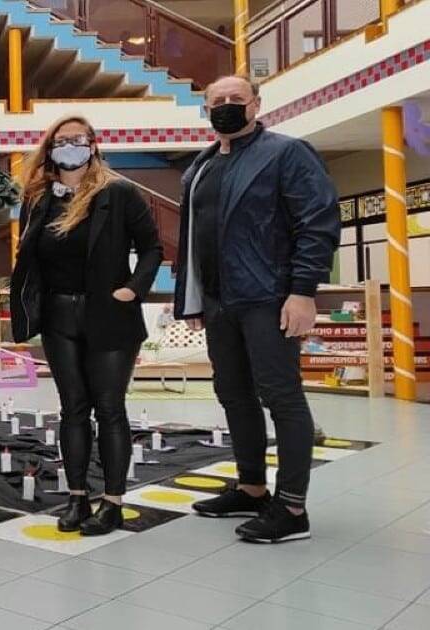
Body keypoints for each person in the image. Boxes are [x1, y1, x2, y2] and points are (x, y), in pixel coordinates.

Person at [175, 75, 339, 543]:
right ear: (206, 108)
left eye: (236, 99)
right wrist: (193, 297)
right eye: (217, 100)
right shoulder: (201, 166)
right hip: (219, 302)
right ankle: (251, 488)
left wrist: (303, 291)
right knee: (233, 394)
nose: (226, 106)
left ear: (256, 105)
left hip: (269, 297)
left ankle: (291, 507)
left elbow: (317, 222)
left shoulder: (287, 153)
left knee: (281, 396)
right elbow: (193, 238)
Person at [9, 115, 163, 536]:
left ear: (93, 145)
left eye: (77, 139)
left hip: (109, 313)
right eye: (61, 140)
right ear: (50, 149)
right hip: (59, 316)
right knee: (73, 408)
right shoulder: (39, 198)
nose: (69, 146)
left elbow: (152, 248)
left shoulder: (118, 192)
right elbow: (30, 256)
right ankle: (77, 497)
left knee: (109, 408)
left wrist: (133, 289)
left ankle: (112, 502)